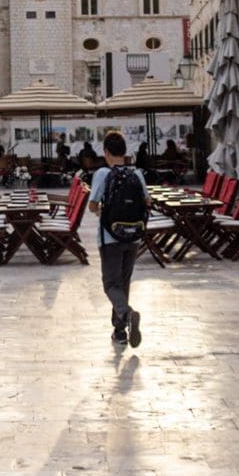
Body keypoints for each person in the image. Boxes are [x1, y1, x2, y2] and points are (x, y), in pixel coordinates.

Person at [88, 130, 148, 346]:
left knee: (111, 284)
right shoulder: (137, 174)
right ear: (124, 151)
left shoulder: (103, 174)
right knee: (123, 283)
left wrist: (104, 209)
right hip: (134, 237)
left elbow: (92, 205)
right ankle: (120, 332)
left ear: (106, 152)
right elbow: (147, 202)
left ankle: (126, 313)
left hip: (110, 237)